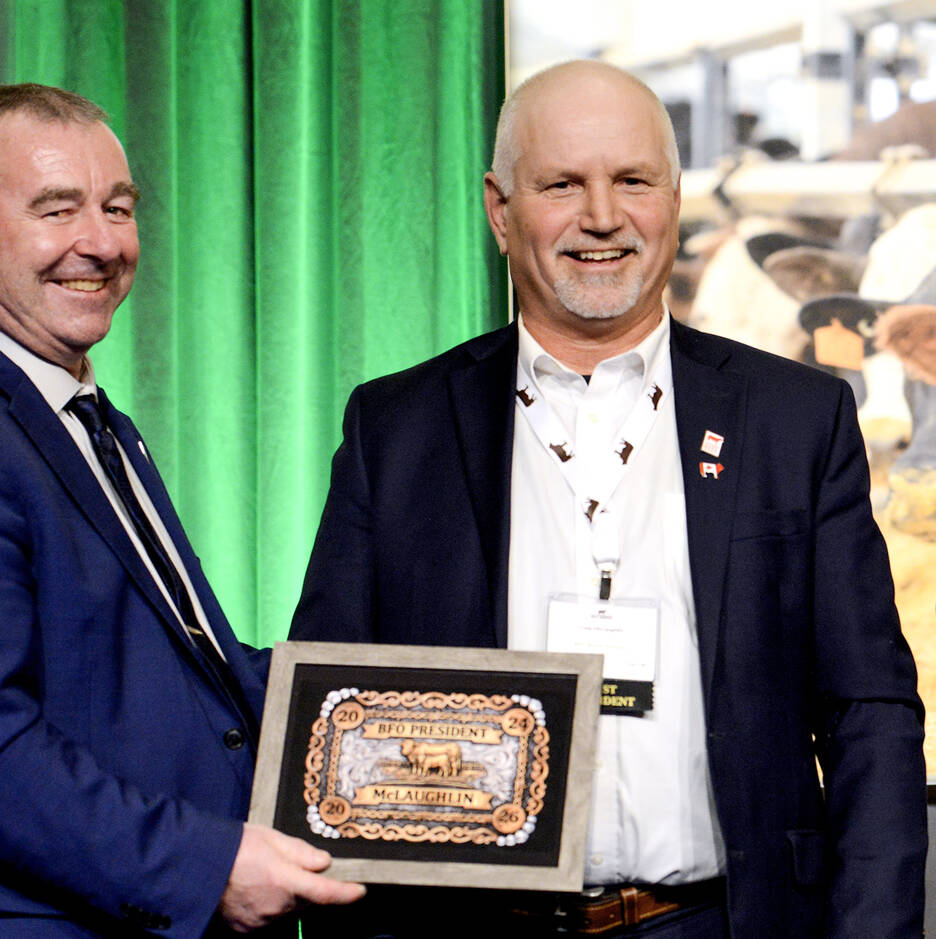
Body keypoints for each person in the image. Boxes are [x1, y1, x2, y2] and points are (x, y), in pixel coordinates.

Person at [288, 60, 925, 937]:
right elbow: (331, 723)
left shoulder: (796, 418)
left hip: (725, 922)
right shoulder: (396, 429)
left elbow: (870, 712)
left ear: (670, 196)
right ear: (500, 210)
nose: (601, 216)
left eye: (632, 180)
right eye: (562, 184)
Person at [0, 83, 364, 938]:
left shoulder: (78, 419)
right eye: (56, 209)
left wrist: (423, 708)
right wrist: (204, 865)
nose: (101, 243)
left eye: (118, 207)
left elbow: (177, 674)